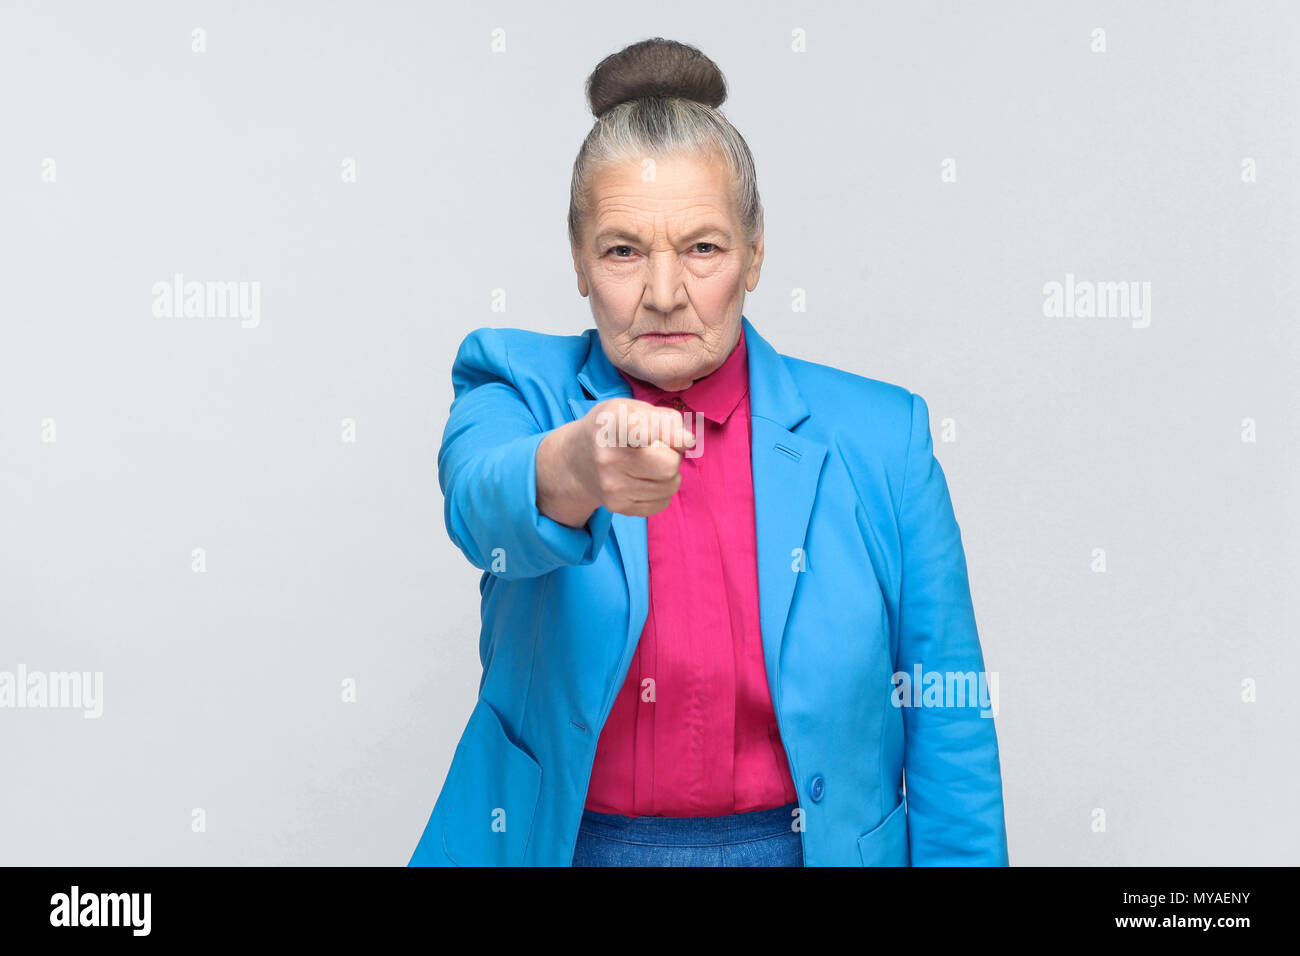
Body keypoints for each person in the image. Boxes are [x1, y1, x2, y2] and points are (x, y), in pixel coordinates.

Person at [409, 37, 1009, 866]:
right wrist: (578, 467)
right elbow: (481, 502)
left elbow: (950, 721)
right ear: (580, 261)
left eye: (703, 247)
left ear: (755, 253)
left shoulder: (883, 438)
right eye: (623, 250)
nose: (663, 293)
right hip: (570, 847)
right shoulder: (513, 385)